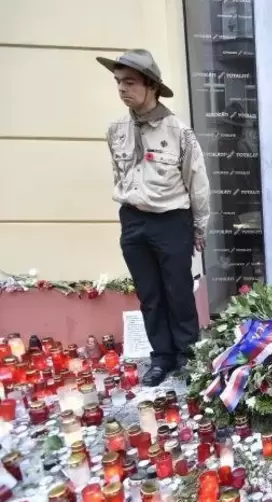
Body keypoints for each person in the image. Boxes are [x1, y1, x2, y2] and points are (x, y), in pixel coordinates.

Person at [97, 49, 210, 386]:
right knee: (149, 293)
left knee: (178, 292)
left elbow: (198, 184)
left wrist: (199, 227)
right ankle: (161, 357)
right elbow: (119, 172)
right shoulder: (115, 130)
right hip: (133, 220)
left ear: (151, 86)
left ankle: (188, 355)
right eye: (118, 82)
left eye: (129, 82)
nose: (121, 89)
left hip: (172, 221)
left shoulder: (179, 132)